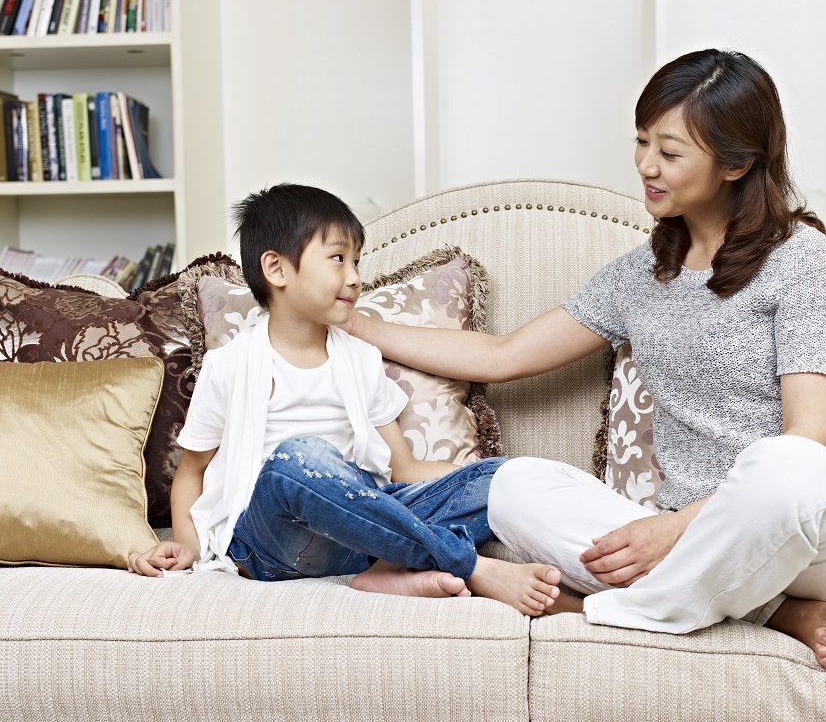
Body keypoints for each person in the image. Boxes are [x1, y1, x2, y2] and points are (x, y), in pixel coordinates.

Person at [345, 49, 826, 670]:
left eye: (669, 151)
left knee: (783, 463)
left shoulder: (800, 259)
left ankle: (598, 612)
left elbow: (810, 438)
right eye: (641, 142)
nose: (645, 166)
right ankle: (783, 615)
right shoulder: (641, 276)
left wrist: (676, 531)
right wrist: (354, 322)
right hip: (689, 542)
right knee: (514, 485)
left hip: (823, 531)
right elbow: (503, 356)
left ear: (737, 163)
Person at [126, 183, 562, 617]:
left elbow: (404, 469)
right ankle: (465, 564)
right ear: (276, 269)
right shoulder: (229, 367)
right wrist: (186, 544)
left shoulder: (360, 359)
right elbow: (192, 471)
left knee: (501, 477)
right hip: (269, 544)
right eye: (338, 259)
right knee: (299, 459)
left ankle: (388, 569)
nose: (354, 276)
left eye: (356, 260)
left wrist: (500, 478)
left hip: (357, 538)